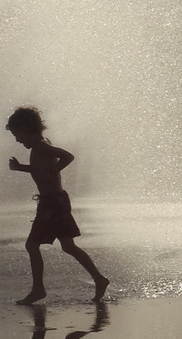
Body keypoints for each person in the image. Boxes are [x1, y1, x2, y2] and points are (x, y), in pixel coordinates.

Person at [6, 107, 110, 305]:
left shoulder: (40, 146)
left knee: (32, 245)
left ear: (26, 128)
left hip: (52, 204)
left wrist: (56, 168)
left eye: (17, 135)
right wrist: (21, 168)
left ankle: (38, 289)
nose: (17, 140)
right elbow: (41, 170)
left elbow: (68, 156)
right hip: (56, 201)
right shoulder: (41, 145)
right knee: (68, 246)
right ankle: (99, 279)